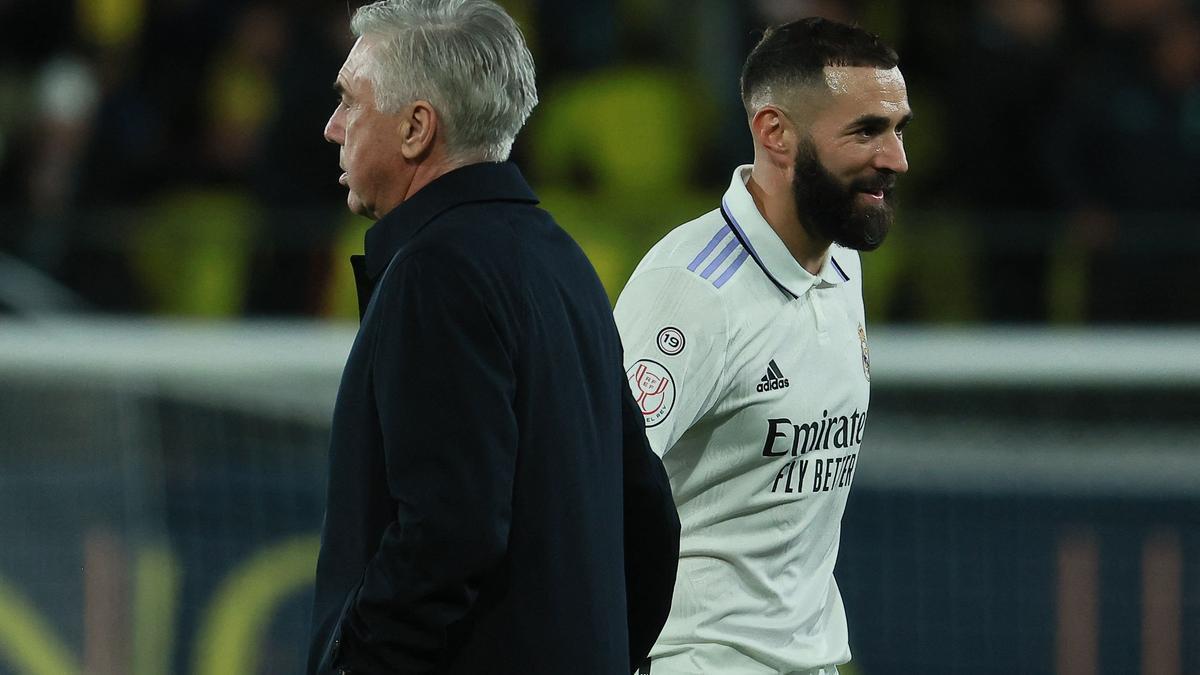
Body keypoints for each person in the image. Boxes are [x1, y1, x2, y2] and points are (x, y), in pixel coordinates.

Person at [307, 2, 680, 673]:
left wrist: (351, 662)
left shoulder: (436, 272)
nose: (333, 126)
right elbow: (647, 512)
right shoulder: (562, 260)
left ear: (417, 127)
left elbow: (449, 534)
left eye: (349, 102)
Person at [614, 17, 911, 675]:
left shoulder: (841, 261)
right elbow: (588, 492)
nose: (896, 157)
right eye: (866, 130)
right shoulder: (691, 291)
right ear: (775, 132)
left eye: (899, 129)